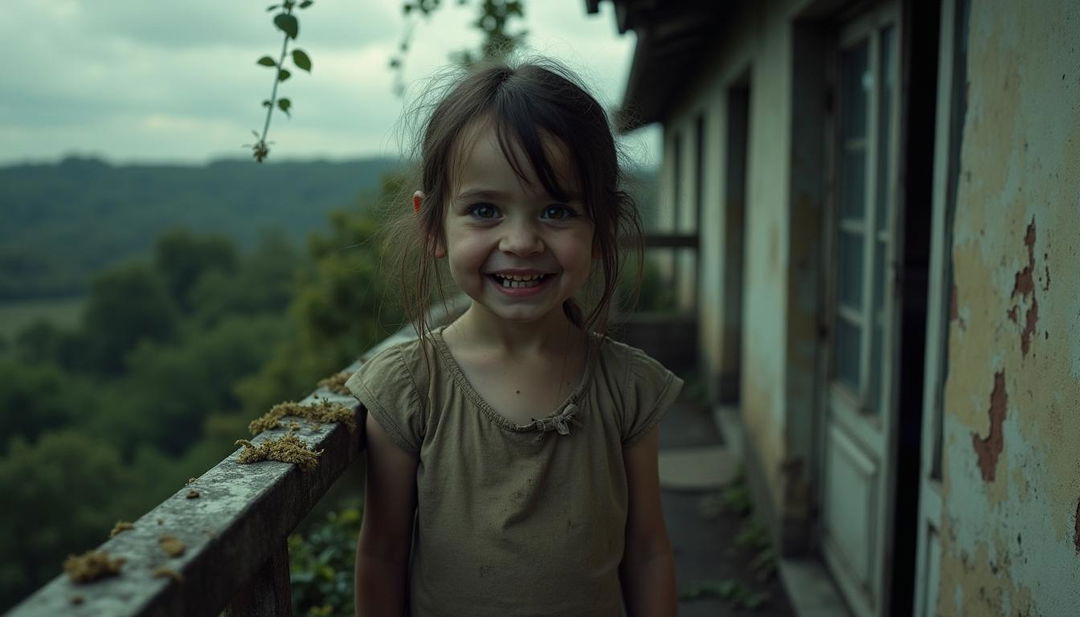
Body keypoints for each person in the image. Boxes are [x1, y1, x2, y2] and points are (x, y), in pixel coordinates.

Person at [347, 58, 682, 617]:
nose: (522, 241)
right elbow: (381, 556)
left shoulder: (628, 387)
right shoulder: (410, 388)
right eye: (484, 210)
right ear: (433, 226)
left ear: (601, 228)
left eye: (556, 209)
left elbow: (647, 552)